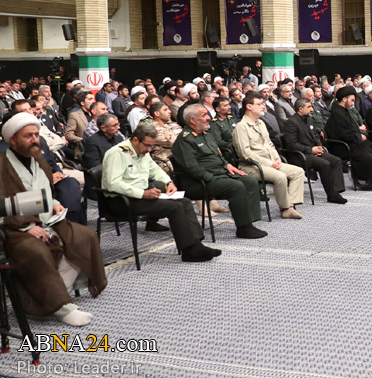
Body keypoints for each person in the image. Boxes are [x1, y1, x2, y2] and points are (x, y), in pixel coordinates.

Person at [0, 112, 106, 326]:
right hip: (13, 228)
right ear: (13, 139)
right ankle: (62, 307)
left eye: (36, 135)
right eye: (28, 135)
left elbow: (45, 192)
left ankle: (48, 296)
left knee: (84, 236)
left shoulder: (39, 159)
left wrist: (54, 203)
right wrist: (27, 227)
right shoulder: (2, 165)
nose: (34, 139)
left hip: (46, 219)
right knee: (36, 251)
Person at [102, 125, 222, 262]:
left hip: (140, 197)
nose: (149, 149)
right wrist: (142, 194)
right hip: (121, 201)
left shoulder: (142, 151)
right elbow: (113, 184)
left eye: (151, 146)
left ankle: (197, 245)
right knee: (175, 207)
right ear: (135, 140)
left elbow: (155, 170)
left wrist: (168, 182)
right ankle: (189, 251)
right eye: (147, 145)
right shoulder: (117, 153)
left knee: (185, 202)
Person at [171, 104, 268, 239]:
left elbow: (217, 155)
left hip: (219, 174)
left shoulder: (207, 135)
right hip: (198, 181)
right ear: (192, 120)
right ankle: (243, 228)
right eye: (204, 115)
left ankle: (248, 222)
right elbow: (191, 167)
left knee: (250, 181)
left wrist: (227, 165)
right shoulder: (185, 139)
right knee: (236, 186)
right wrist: (210, 177)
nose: (208, 118)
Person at [233, 92, 305, 219]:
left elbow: (269, 144)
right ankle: (285, 208)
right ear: (249, 106)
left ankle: (290, 206)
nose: (263, 106)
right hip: (251, 166)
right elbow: (246, 154)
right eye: (260, 104)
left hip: (270, 162)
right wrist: (270, 163)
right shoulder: (241, 127)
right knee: (280, 176)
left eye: (263, 103)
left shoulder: (260, 123)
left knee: (298, 172)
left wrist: (276, 158)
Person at [324, 86, 372, 190]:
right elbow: (342, 133)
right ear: (344, 99)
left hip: (354, 141)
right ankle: (367, 182)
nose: (353, 103)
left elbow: (352, 128)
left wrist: (359, 135)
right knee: (367, 156)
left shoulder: (345, 111)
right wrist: (358, 137)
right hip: (344, 145)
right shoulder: (337, 113)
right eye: (352, 100)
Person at [283, 97, 347, 204]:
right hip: (300, 155)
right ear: (300, 109)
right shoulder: (291, 122)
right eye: (309, 107)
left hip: (313, 151)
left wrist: (319, 147)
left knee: (336, 161)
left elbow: (315, 136)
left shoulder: (309, 119)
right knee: (325, 164)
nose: (312, 109)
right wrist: (311, 150)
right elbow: (291, 144)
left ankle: (336, 190)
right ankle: (331, 195)